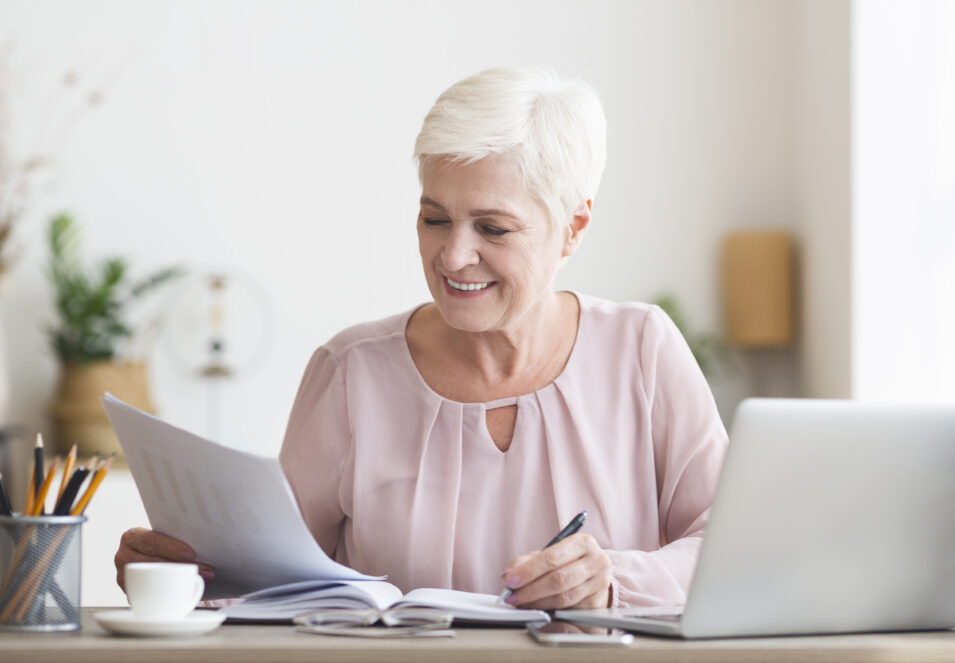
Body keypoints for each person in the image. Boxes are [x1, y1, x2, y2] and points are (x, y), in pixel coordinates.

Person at [115, 67, 727, 610]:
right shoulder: (350, 372)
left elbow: (729, 546)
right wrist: (184, 574)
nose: (454, 256)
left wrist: (614, 579)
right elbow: (268, 581)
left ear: (574, 227)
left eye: (493, 228)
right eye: (435, 219)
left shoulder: (642, 350)